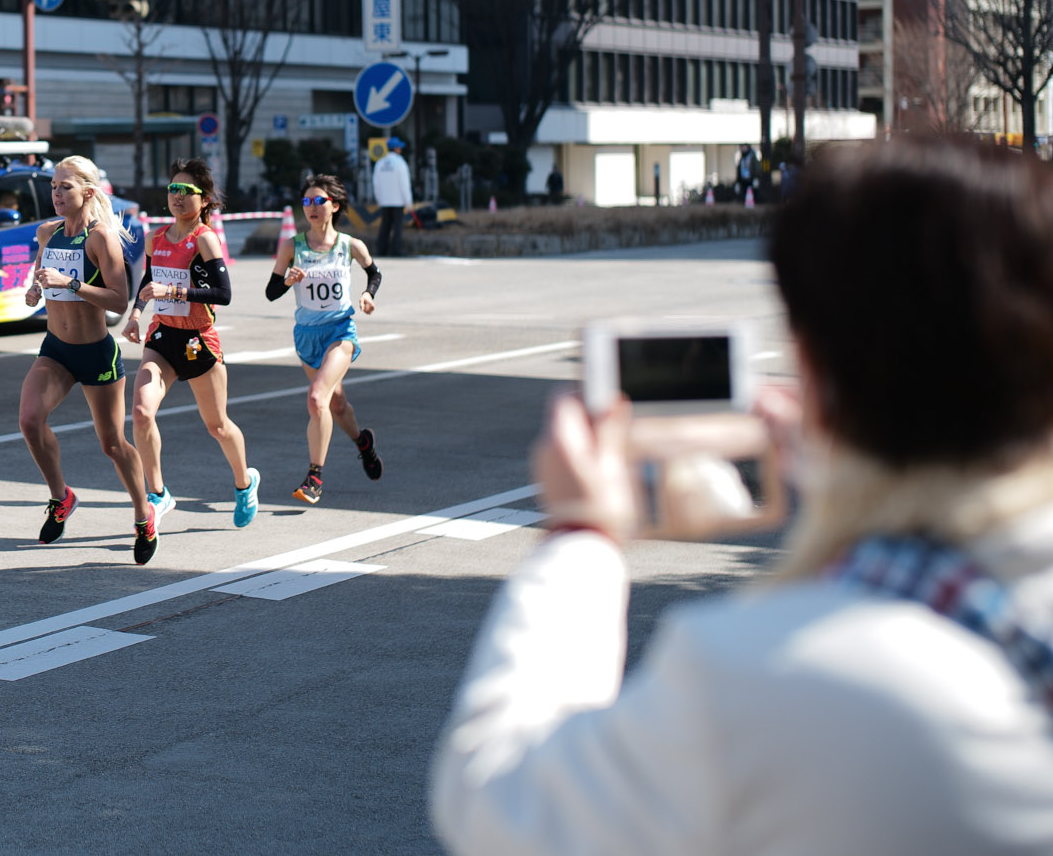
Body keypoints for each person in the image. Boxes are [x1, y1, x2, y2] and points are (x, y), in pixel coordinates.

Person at [430, 139, 1053, 855]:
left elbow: (498, 801)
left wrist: (580, 538)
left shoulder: (768, 676)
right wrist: (850, 484)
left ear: (813, 368)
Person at [19, 155, 158, 564]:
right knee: (29, 420)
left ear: (88, 192)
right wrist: (34, 290)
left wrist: (72, 283)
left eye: (65, 187)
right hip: (55, 351)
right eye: (53, 187)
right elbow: (40, 275)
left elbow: (118, 299)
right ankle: (61, 498)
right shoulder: (47, 232)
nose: (57, 194)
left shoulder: (100, 238)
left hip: (96, 352)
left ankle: (142, 513)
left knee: (113, 445)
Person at [122, 158, 259, 529]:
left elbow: (223, 294)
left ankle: (245, 483)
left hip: (199, 339)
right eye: (173, 189)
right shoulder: (155, 238)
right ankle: (158, 492)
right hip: (163, 335)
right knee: (141, 412)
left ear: (204, 200)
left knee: (217, 426)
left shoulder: (205, 239)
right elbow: (148, 283)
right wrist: (136, 315)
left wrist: (176, 290)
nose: (177, 197)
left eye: (187, 191)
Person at [267, 174, 385, 504]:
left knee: (317, 398)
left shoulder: (349, 245)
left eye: (319, 201)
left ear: (333, 205)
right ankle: (363, 442)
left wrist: (367, 293)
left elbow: (374, 271)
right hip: (307, 336)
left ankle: (314, 477)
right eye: (306, 202)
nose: (312, 207)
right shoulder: (292, 246)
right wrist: (288, 280)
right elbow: (270, 291)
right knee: (337, 403)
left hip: (340, 331)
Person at [372, 136, 412, 259]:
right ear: (396, 149)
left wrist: (379, 199)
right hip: (398, 200)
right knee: (397, 226)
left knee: (385, 225)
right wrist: (408, 202)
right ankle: (396, 249)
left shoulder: (380, 163)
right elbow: (405, 184)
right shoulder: (400, 163)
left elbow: (376, 183)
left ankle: (381, 249)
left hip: (384, 200)